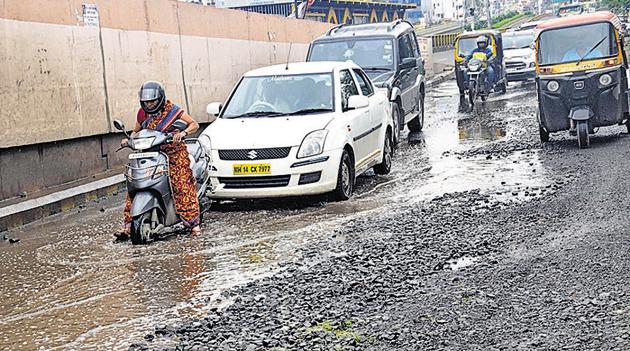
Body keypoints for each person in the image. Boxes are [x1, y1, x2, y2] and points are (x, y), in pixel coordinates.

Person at [116, 81, 201, 240]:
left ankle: (193, 224)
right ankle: (128, 226)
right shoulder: (142, 114)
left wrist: (182, 133)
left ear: (160, 99)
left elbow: (193, 124)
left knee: (181, 184)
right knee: (133, 183)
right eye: (146, 102)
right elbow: (136, 131)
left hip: (173, 153)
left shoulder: (172, 111)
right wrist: (128, 140)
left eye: (152, 101)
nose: (149, 104)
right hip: (149, 153)